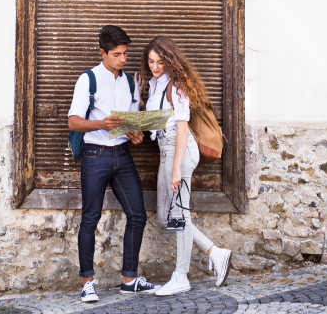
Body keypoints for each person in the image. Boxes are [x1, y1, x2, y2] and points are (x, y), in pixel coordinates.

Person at [68, 24, 157, 303]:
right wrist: (100, 124)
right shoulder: (88, 79)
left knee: (138, 215)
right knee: (90, 218)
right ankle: (87, 283)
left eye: (125, 54)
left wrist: (136, 134)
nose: (122, 59)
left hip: (122, 154)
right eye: (116, 54)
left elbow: (130, 121)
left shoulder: (130, 82)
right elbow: (73, 121)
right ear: (102, 52)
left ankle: (129, 280)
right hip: (95, 155)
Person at [140, 35, 232, 297]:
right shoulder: (156, 84)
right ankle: (216, 252)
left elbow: (181, 128)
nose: (155, 67)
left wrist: (177, 169)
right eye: (151, 61)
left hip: (180, 151)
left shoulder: (178, 85)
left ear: (170, 61)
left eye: (160, 62)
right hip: (164, 151)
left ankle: (180, 276)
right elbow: (157, 119)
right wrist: (139, 97)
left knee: (179, 216)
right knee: (164, 215)